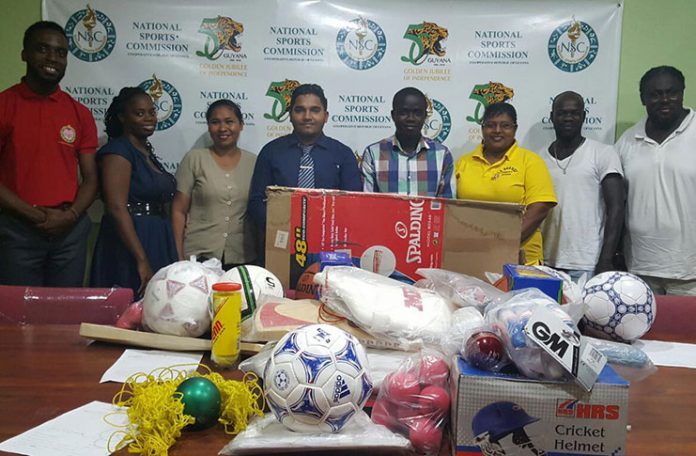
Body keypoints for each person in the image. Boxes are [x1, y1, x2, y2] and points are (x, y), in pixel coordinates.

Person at [0, 21, 98, 287]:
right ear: (24, 54)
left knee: (65, 310)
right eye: (42, 49)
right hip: (17, 229)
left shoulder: (80, 113)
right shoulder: (4, 105)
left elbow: (91, 178)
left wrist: (71, 215)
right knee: (18, 310)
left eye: (60, 52)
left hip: (69, 232)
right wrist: (35, 216)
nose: (52, 58)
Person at [247, 83, 361, 262]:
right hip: (280, 244)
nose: (307, 116)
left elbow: (354, 205)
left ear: (326, 116)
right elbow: (256, 202)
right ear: (290, 115)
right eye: (300, 110)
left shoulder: (343, 154)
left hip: (330, 246)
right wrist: (282, 225)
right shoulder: (271, 152)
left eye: (315, 110)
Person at [616, 66, 696, 295]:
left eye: (672, 92)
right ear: (643, 99)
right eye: (655, 94)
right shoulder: (628, 141)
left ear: (682, 93)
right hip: (640, 269)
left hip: (690, 273)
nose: (665, 100)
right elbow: (617, 202)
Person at [90, 87, 177, 296]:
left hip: (156, 235)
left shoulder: (145, 150)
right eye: (139, 113)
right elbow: (116, 207)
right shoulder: (118, 151)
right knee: (131, 301)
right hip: (131, 241)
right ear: (122, 117)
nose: (149, 118)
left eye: (152, 112)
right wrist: (141, 259)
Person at [455, 102, 557, 265]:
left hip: (521, 259)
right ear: (482, 128)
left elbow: (540, 209)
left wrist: (502, 244)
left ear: (515, 129)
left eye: (505, 126)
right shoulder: (463, 163)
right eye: (491, 125)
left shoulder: (530, 161)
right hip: (473, 255)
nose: (497, 131)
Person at [540, 91, 625, 280]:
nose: (568, 118)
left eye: (574, 113)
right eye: (562, 113)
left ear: (584, 116)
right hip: (545, 261)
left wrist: (606, 259)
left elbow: (617, 208)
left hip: (588, 263)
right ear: (552, 117)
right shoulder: (538, 159)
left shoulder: (603, 153)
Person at [172, 100, 257, 269]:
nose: (222, 128)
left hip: (242, 257)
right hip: (199, 256)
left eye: (229, 121)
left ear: (241, 125)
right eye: (215, 122)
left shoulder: (254, 162)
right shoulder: (194, 159)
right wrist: (179, 257)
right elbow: (178, 211)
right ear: (208, 126)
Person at [361, 87, 455, 197]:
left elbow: (447, 204)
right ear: (393, 115)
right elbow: (368, 202)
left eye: (417, 113)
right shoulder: (373, 153)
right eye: (403, 113)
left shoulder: (442, 155)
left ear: (425, 116)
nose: (411, 118)